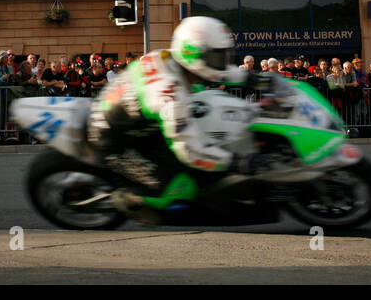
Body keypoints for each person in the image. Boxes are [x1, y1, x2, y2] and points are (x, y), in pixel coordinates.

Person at [88, 17, 288, 225]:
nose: (222, 61)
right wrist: (237, 162)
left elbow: (217, 71)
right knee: (183, 188)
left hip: (138, 121)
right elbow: (190, 151)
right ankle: (137, 201)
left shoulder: (170, 58)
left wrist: (257, 79)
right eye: (218, 56)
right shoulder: (171, 97)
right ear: (193, 54)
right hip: (115, 140)